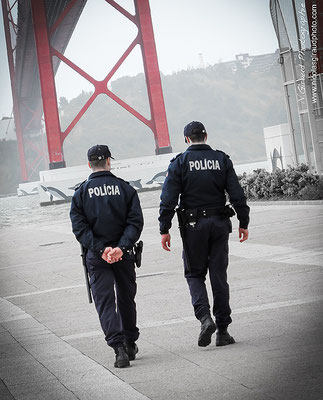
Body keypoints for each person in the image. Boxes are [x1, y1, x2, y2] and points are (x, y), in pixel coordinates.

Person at [159, 121, 249, 348]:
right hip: (220, 223)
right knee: (219, 275)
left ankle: (204, 318)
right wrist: (243, 221)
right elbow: (236, 193)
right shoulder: (221, 159)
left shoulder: (179, 162)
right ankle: (223, 330)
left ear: (187, 139)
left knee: (194, 274)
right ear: (206, 136)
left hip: (193, 227)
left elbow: (168, 199)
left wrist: (164, 228)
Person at [70, 145, 144, 368]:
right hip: (124, 254)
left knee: (105, 302)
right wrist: (120, 247)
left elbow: (79, 228)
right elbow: (135, 222)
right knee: (125, 298)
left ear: (89, 164)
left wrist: (102, 250)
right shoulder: (125, 189)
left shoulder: (81, 193)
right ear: (109, 161)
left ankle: (118, 349)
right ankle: (130, 342)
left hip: (96, 256)